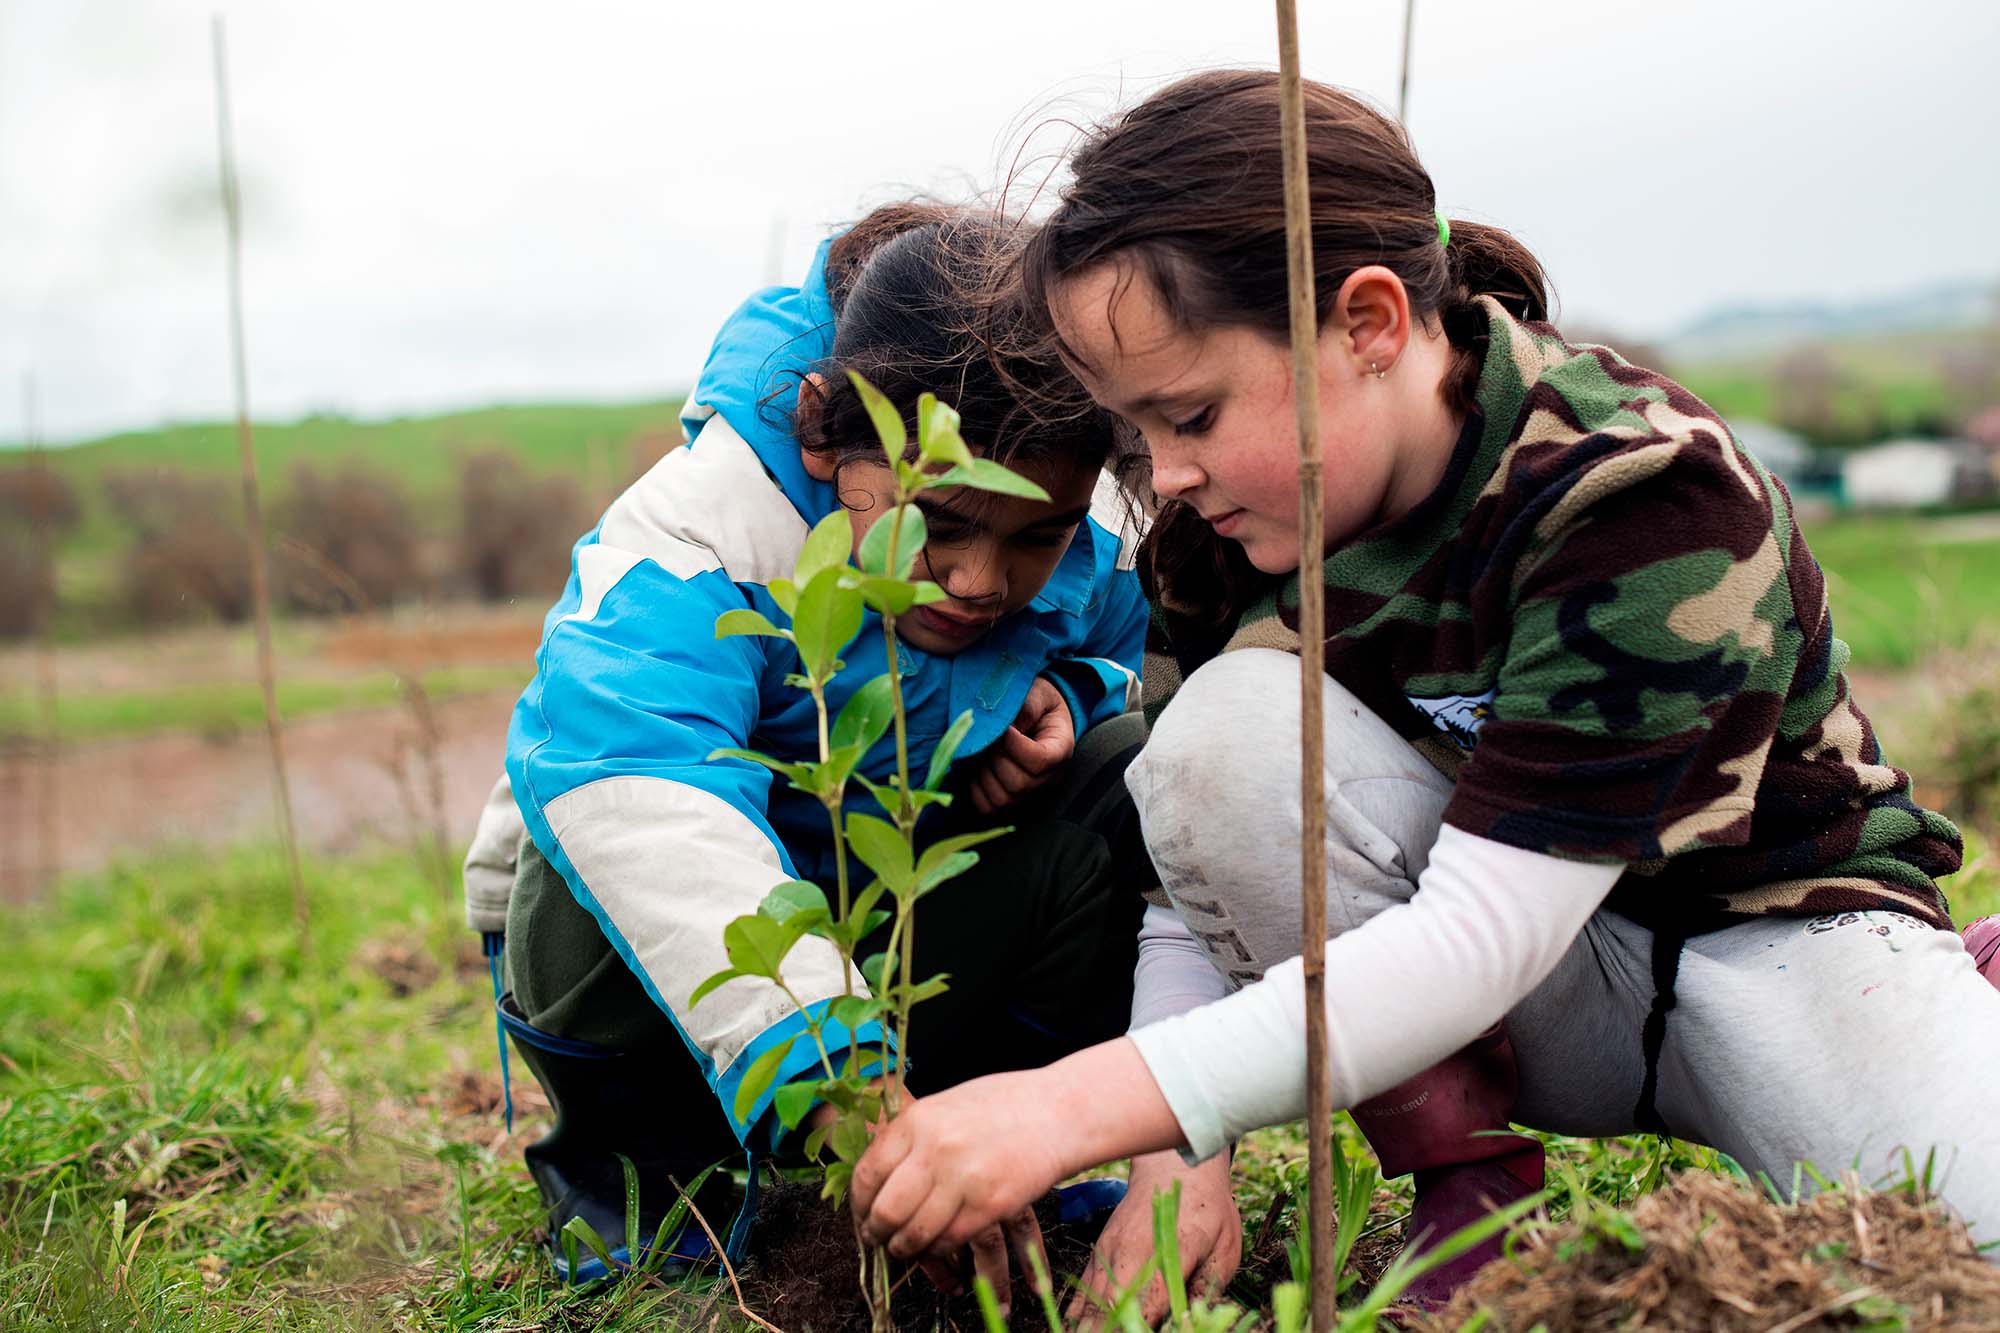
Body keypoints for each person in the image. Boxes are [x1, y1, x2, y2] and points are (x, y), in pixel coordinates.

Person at [847, 71, 2000, 1312]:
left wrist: (1065, 1105)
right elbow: (1193, 856)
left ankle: (1955, 997)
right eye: (1137, 431)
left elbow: (1479, 934)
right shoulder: (1232, 530)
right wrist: (1175, 1160)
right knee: (1213, 742)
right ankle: (1466, 1194)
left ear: (1369, 321)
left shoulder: (1639, 502)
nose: (1165, 474)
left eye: (1188, 412)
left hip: (1772, 946)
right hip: (1533, 1005)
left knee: (1968, 1235)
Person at [460, 204, 1155, 1296]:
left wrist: (1071, 689)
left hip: (886, 916)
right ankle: (652, 1187)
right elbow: (637, 788)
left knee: (1123, 766)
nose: (979, 581)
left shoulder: (1087, 507)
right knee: (603, 832)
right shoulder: (695, 535)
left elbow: (1143, 651)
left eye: (1031, 537)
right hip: (642, 966)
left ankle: (998, 1140)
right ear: (822, 436)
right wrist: (850, 1091)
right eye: (938, 523)